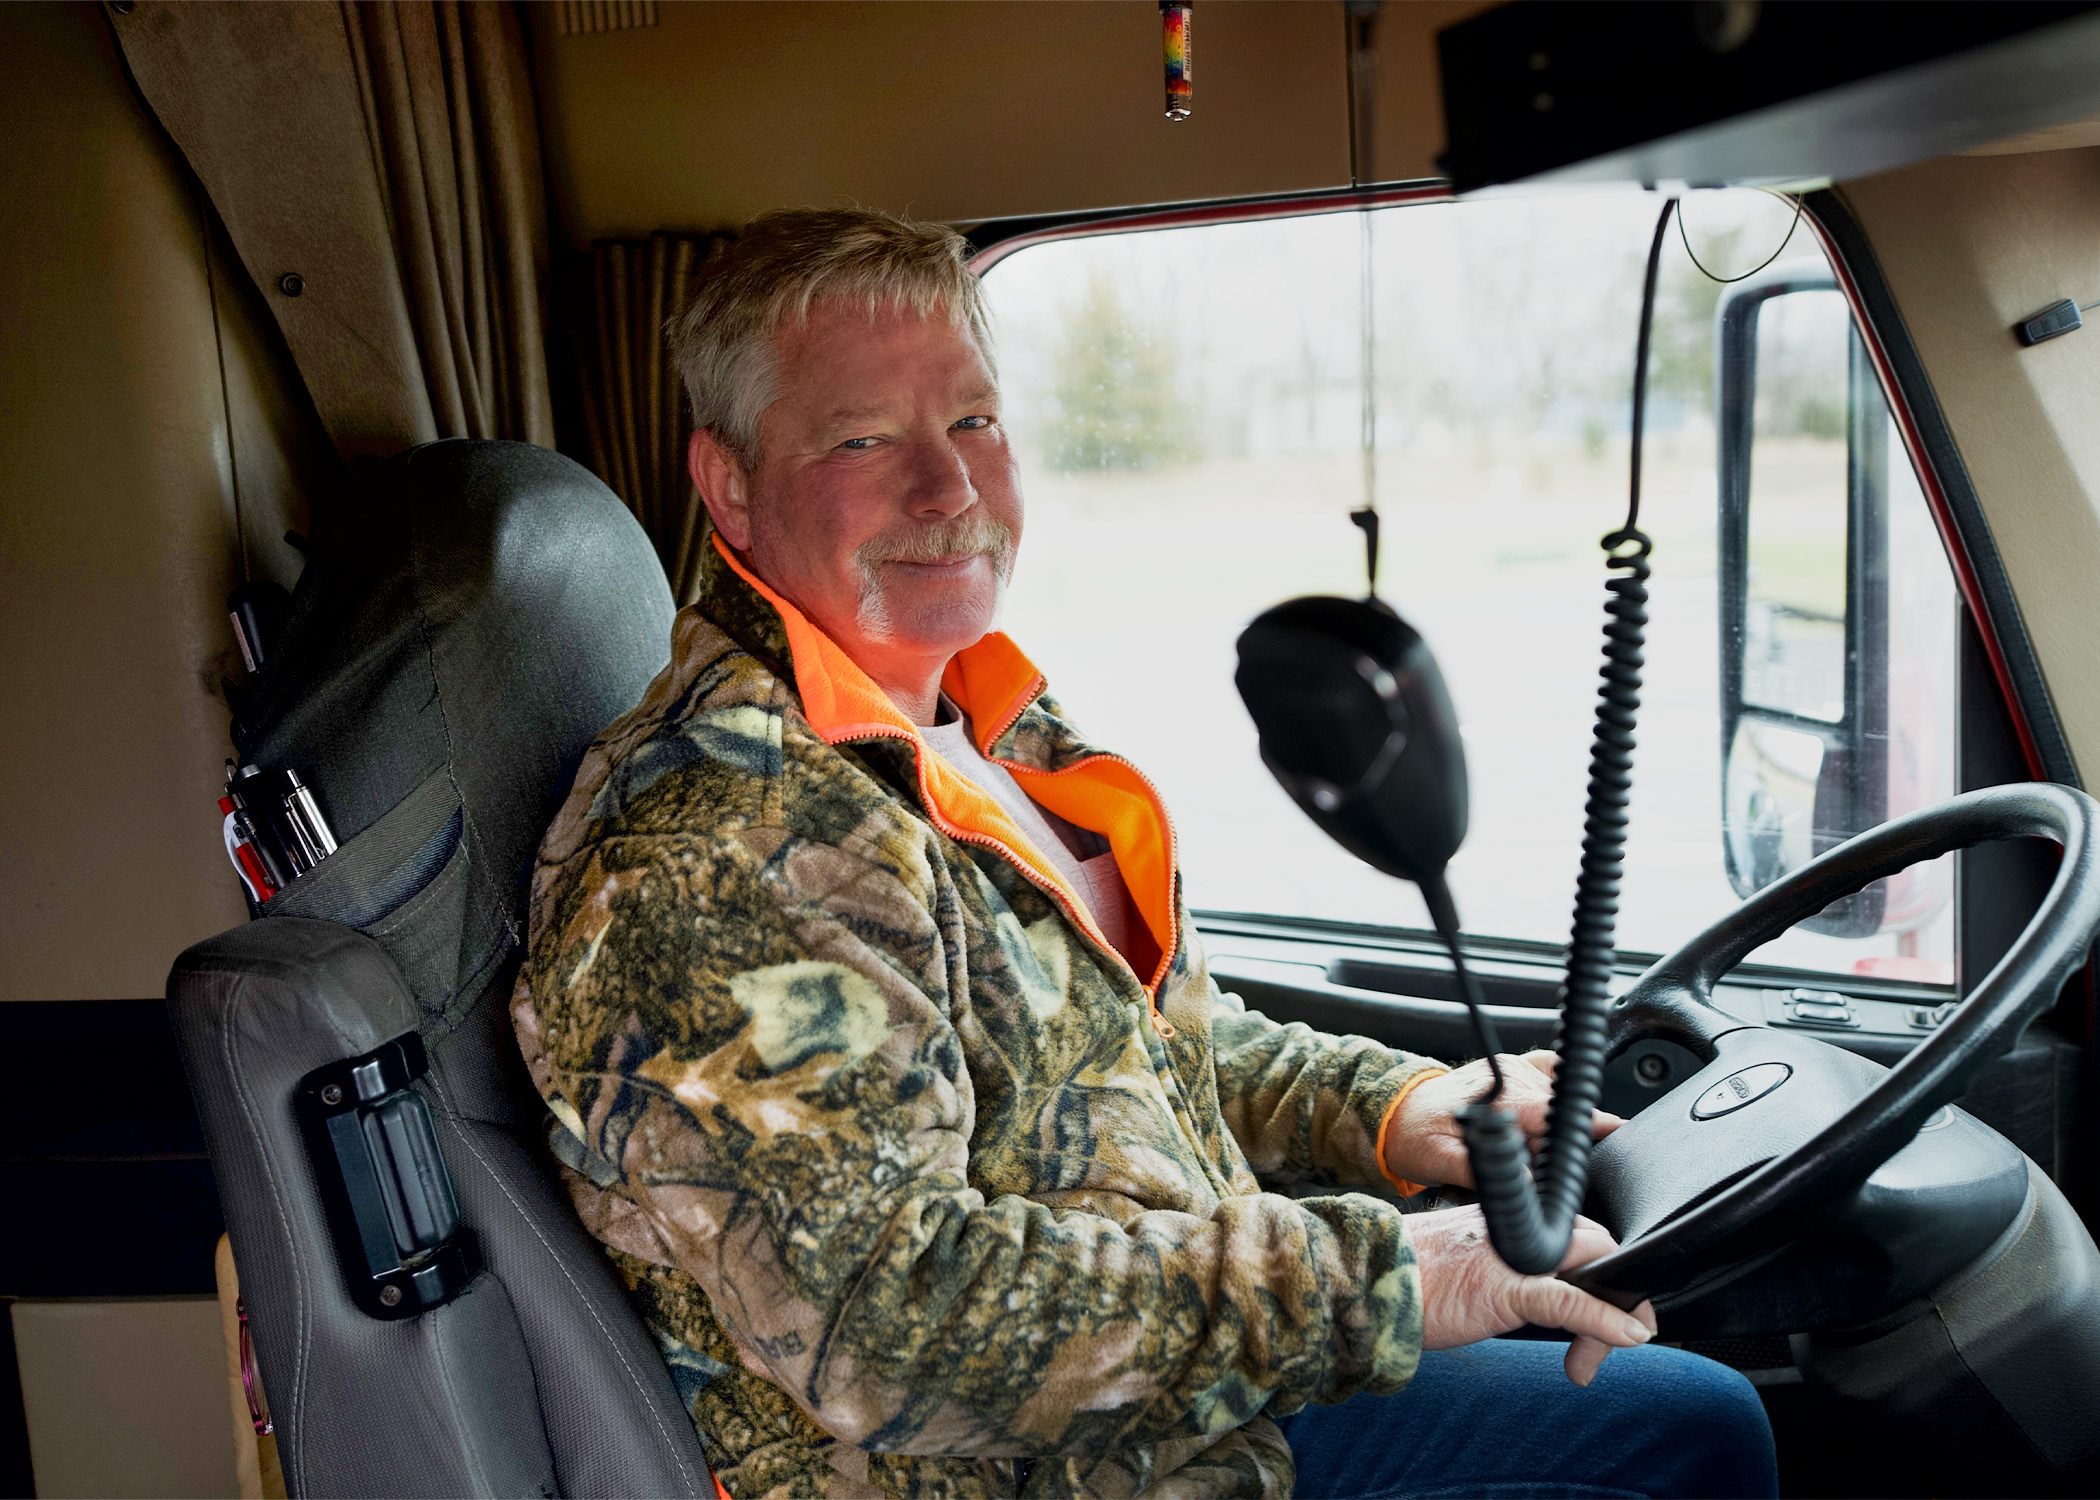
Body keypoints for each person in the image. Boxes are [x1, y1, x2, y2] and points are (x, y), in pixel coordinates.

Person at [512, 208, 1777, 1500]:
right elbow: (893, 1325)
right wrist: (1391, 1279)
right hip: (1055, 1470)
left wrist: (1396, 1112)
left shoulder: (972, 714)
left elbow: (1135, 1055)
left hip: (1183, 1396)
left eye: (974, 423)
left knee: (1694, 1418)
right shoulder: (721, 848)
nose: (948, 490)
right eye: (862, 439)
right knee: (1691, 1438)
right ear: (727, 483)